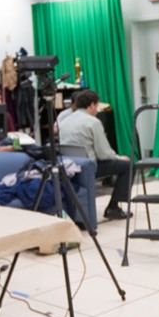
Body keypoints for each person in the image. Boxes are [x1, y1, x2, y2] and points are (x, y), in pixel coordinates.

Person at [58, 89, 133, 221]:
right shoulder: (93, 122)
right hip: (88, 167)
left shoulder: (64, 122)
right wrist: (118, 157)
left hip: (69, 166)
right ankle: (113, 208)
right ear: (92, 105)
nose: (97, 110)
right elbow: (103, 153)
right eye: (97, 106)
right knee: (128, 165)